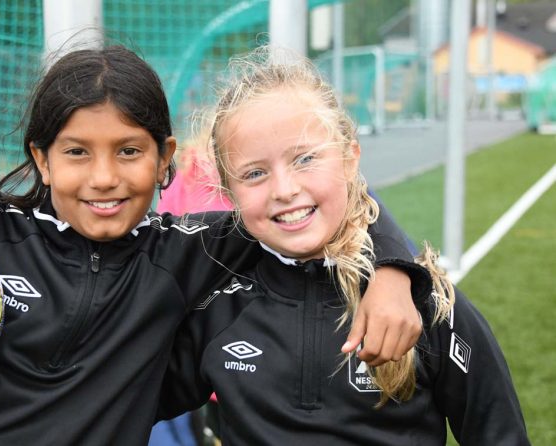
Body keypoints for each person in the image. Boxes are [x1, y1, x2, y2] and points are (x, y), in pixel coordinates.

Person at [0, 45, 427, 445]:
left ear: (165, 159)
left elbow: (324, 203)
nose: (104, 177)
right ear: (41, 161)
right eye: (77, 152)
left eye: (129, 151)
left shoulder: (191, 251)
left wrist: (394, 273)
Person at [158, 46, 530, 445]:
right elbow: (125, 404)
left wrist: (393, 272)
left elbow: (499, 433)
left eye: (304, 159)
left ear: (350, 158)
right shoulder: (216, 307)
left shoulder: (429, 306)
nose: (284, 190)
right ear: (228, 193)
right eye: (255, 173)